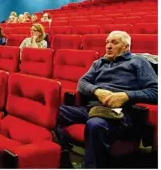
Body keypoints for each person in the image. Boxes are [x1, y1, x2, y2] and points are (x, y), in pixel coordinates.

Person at [56, 31, 158, 168]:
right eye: (107, 42)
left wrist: (126, 96)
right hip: (93, 108)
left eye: (114, 42)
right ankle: (63, 157)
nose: (108, 46)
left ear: (126, 47)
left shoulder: (139, 62)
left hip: (120, 113)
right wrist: (96, 91)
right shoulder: (99, 62)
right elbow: (82, 83)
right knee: (53, 113)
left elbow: (155, 91)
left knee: (95, 124)